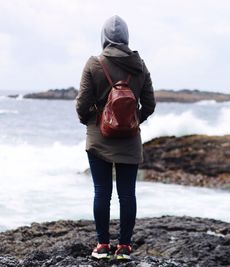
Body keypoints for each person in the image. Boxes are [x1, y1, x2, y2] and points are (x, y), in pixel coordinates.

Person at [76, 15, 156, 260]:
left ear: (104, 38)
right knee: (127, 194)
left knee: (102, 192)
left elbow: (82, 104)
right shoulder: (140, 65)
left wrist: (93, 121)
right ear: (126, 37)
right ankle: (124, 247)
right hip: (130, 141)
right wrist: (132, 121)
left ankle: (102, 246)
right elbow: (150, 104)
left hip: (98, 138)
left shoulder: (94, 64)